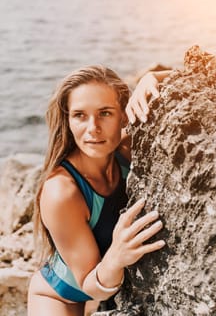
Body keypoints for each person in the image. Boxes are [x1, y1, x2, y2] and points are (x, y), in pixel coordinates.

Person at [27, 65, 170, 316]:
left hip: (111, 285)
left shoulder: (127, 149)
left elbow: (205, 75)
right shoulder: (62, 192)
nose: (93, 127)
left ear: (123, 115)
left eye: (105, 113)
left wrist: (152, 78)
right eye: (80, 115)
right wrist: (116, 256)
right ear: (68, 120)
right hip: (61, 295)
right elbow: (90, 286)